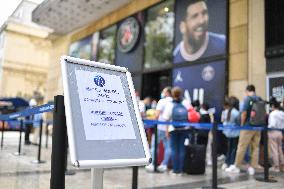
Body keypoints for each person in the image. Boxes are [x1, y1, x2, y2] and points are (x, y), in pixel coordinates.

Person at [226, 85, 263, 175]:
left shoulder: (248, 99)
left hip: (247, 126)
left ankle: (237, 165)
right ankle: (254, 165)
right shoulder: (260, 99)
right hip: (258, 127)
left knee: (241, 146)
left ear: (247, 91)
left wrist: (242, 125)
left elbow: (244, 113)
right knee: (255, 147)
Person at [145, 87, 172, 172]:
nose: (162, 93)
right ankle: (164, 165)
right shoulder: (173, 101)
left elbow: (157, 114)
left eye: (163, 91)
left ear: (167, 92)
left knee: (154, 146)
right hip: (170, 127)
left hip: (160, 127)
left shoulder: (162, 101)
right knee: (168, 147)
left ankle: (153, 164)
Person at [163, 87, 189, 175]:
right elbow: (190, 115)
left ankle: (175, 170)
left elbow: (166, 118)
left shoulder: (170, 104)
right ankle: (181, 170)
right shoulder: (186, 102)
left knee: (174, 149)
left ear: (172, 94)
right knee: (182, 148)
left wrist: (166, 131)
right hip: (184, 129)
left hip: (173, 129)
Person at [221, 97, 240, 170]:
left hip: (227, 133)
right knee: (233, 149)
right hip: (235, 133)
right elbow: (239, 123)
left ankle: (226, 163)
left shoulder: (225, 111)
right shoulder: (236, 112)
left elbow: (223, 121)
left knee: (228, 149)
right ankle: (231, 163)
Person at [268, 97, 284, 172]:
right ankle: (282, 166)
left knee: (274, 150)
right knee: (280, 149)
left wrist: (267, 127)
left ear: (273, 106)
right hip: (280, 132)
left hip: (273, 132)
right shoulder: (282, 113)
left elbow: (272, 124)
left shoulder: (272, 114)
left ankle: (276, 167)